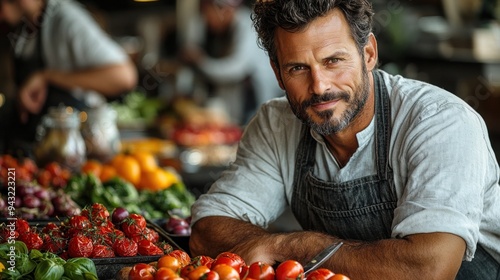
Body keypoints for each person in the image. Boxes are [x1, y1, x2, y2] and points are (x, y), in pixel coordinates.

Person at [188, 0, 500, 279]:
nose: (320, 86)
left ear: (368, 54)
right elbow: (206, 230)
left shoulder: (439, 122)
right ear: (277, 73)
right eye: (298, 68)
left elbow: (429, 269)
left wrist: (293, 245)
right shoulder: (276, 124)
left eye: (333, 61)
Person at [0, 0, 137, 155]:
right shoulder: (20, 28)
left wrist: (47, 77)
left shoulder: (65, 19)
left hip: (75, 148)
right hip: (33, 145)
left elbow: (124, 77)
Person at [178, 0, 281, 124]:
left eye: (207, 12)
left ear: (224, 10)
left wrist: (201, 61)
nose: (205, 18)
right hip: (232, 99)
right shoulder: (215, 28)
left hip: (255, 94)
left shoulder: (248, 25)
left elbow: (236, 69)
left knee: (251, 130)